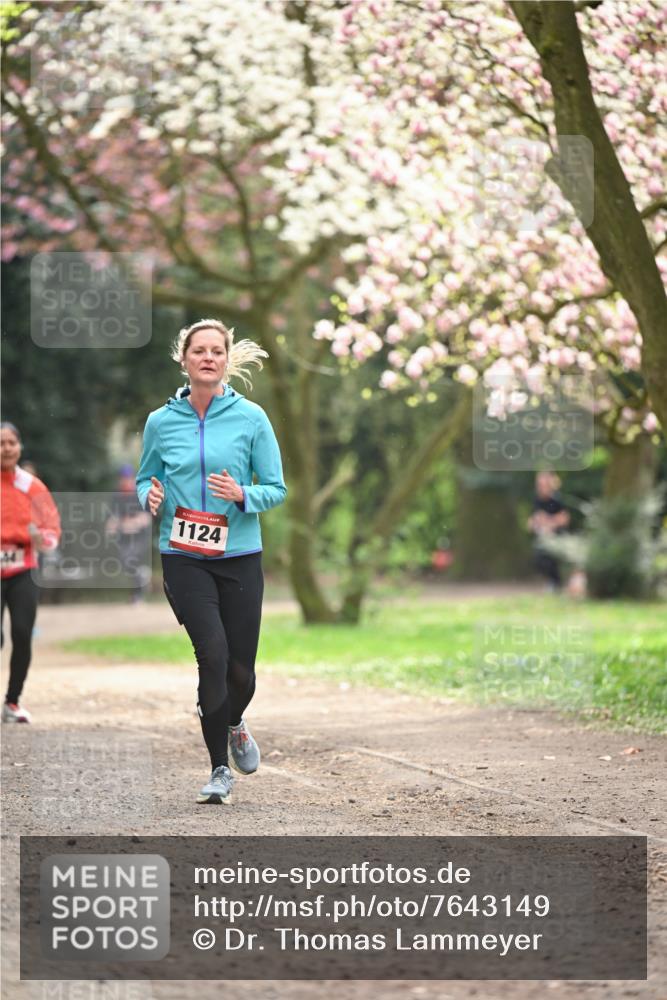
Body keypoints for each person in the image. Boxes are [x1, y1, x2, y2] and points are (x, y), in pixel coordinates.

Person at [136, 319, 287, 805]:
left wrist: (244, 494)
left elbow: (276, 488)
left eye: (215, 351)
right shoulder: (161, 421)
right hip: (183, 556)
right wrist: (150, 495)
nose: (207, 357)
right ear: (183, 359)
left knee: (242, 671)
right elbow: (145, 478)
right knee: (213, 655)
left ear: (226, 359)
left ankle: (235, 722)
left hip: (239, 555)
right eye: (198, 350)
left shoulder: (251, 418)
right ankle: (219, 768)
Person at [1, 422, 61, 722]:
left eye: (11, 442)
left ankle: (12, 702)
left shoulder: (32, 486)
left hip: (23, 568)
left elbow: (51, 527)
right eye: (1, 443)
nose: (6, 448)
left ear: (20, 446)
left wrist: (44, 540)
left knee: (22, 634)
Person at [105, 465, 153, 603]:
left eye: (128, 478)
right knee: (125, 562)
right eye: (123, 478)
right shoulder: (117, 496)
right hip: (124, 538)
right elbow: (112, 519)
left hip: (139, 537)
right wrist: (112, 528)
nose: (125, 481)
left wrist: (128, 523)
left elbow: (146, 518)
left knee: (130, 560)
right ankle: (141, 579)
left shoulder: (140, 494)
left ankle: (137, 596)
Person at [527, 470, 570, 592]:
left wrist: (549, 522)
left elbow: (564, 518)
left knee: (550, 557)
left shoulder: (556, 499)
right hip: (542, 537)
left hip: (556, 536)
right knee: (540, 558)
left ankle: (556, 583)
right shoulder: (537, 500)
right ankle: (554, 582)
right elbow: (532, 520)